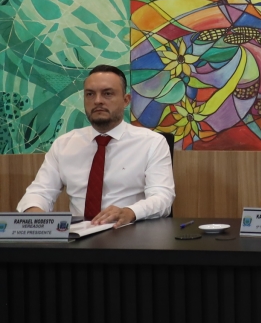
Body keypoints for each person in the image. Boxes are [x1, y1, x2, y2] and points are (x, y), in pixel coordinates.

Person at [17, 65, 175, 225]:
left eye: (107, 93)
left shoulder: (152, 142)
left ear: (126, 100)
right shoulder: (64, 144)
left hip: (127, 231)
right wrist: (36, 215)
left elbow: (162, 197)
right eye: (90, 94)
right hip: (77, 235)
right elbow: (40, 192)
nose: (97, 101)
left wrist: (130, 212)